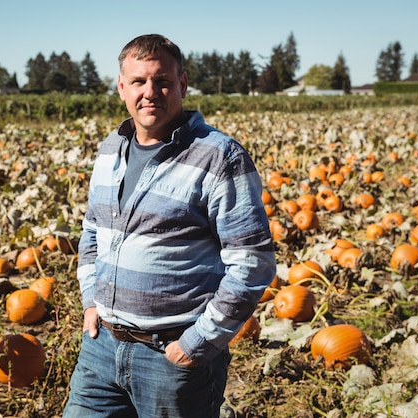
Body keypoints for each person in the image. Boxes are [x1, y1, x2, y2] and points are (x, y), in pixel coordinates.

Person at [63, 34, 276, 418]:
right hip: (100, 347)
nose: (151, 92)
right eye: (139, 82)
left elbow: (253, 263)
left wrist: (197, 343)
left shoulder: (219, 156)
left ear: (183, 84)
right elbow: (93, 229)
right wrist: (90, 300)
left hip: (172, 357)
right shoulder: (111, 148)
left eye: (162, 81)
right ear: (121, 87)